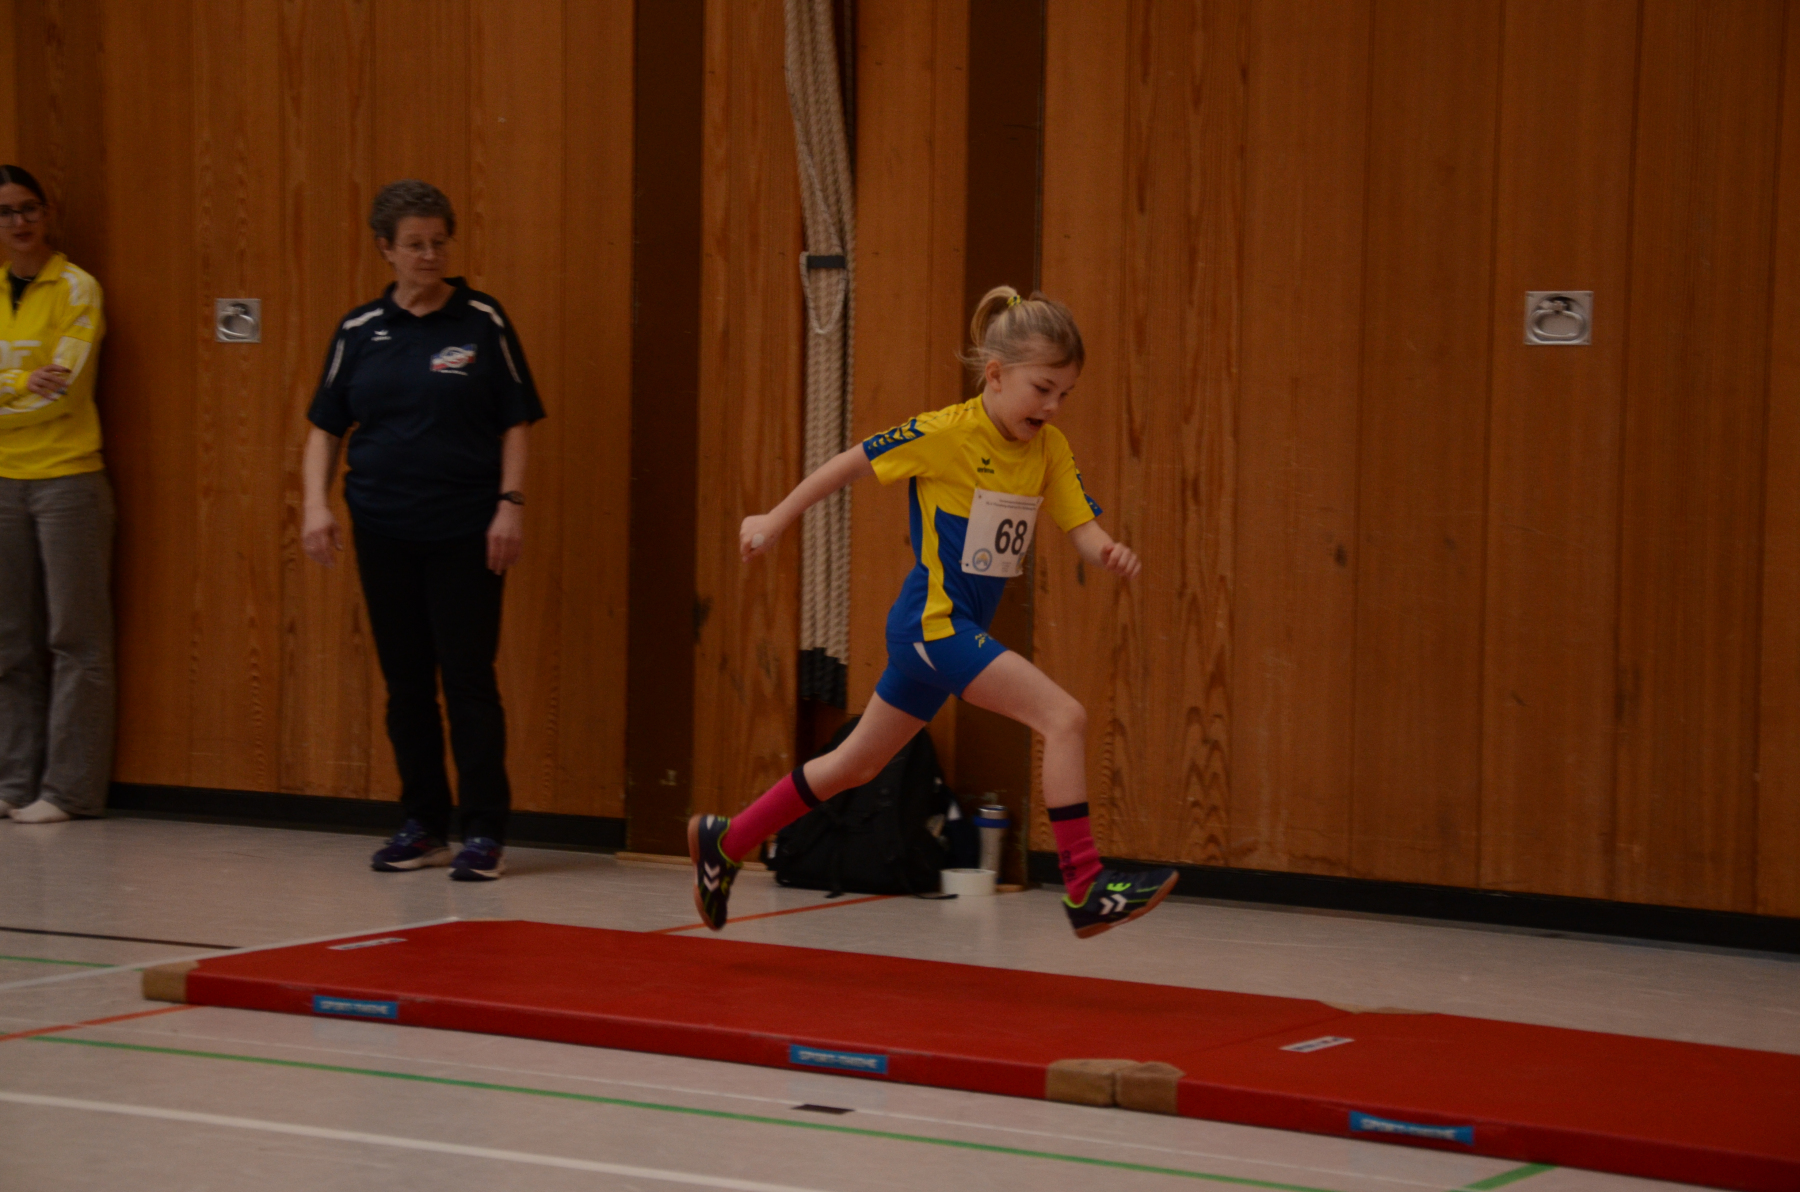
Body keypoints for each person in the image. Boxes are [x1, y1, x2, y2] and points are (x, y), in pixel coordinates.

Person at [690, 286, 1177, 937]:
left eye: (1065, 393)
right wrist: (773, 520)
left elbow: (1080, 526)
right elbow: (850, 465)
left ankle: (724, 841)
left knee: (856, 765)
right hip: (934, 626)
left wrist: (1106, 550)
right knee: (1065, 718)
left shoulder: (1049, 450)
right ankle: (1085, 886)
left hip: (947, 635)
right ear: (995, 376)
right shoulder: (944, 432)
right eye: (1042, 388)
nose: (1053, 406)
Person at [300, 180, 543, 881]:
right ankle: (424, 825)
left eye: (439, 242)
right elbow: (325, 428)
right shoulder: (359, 331)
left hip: (466, 529)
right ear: (386, 248)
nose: (430, 255)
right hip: (383, 528)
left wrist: (510, 504)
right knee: (406, 684)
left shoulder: (482, 320)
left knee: (468, 679)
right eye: (414, 245)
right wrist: (316, 505)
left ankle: (484, 832)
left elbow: (515, 420)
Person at [0, 164, 111, 825]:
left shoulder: (77, 287)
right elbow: (35, 391)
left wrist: (13, 388)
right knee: (8, 639)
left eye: (28, 208)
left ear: (46, 214)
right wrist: (20, 384)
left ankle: (68, 790)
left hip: (68, 478)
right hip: (3, 480)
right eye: (5, 212)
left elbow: (63, 390)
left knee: (76, 638)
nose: (18, 222)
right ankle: (13, 782)